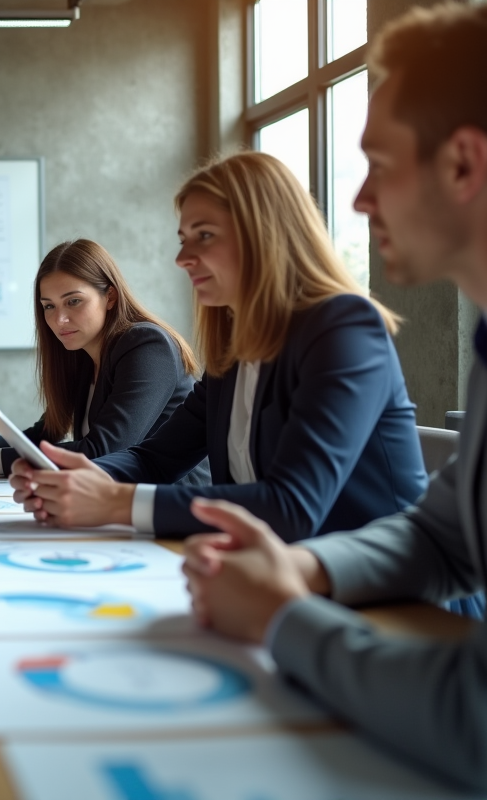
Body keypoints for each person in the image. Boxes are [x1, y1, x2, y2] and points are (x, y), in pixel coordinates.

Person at [183, 5, 487, 788]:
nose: (357, 201)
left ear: (462, 164)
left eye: (379, 165)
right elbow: (444, 540)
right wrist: (302, 574)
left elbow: (475, 719)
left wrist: (284, 617)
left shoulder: (340, 324)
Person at [10, 151, 427, 541]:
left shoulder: (345, 327)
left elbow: (292, 506)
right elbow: (157, 459)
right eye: (183, 238)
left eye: (204, 235)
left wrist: (114, 502)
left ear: (264, 234)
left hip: (392, 601)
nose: (183, 258)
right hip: (270, 575)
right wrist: (82, 475)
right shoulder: (235, 343)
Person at [0, 239, 208, 485]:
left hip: (172, 502)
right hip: (110, 499)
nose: (59, 320)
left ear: (110, 296)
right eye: (49, 306)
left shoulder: (146, 345)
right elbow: (46, 431)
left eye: (73, 301)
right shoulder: (82, 353)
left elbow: (103, 451)